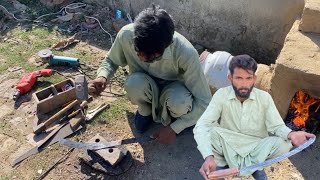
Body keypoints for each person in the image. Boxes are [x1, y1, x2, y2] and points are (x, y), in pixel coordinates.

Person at [88, 5, 211, 144]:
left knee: (180, 102)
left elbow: (204, 101)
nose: (143, 58)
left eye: (151, 56)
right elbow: (111, 60)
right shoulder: (126, 35)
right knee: (133, 84)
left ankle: (174, 118)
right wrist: (102, 76)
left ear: (168, 44)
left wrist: (175, 128)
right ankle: (145, 111)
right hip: (144, 86)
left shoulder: (186, 53)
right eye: (138, 51)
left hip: (173, 91)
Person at [193, 54, 315, 180]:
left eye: (248, 78)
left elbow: (277, 126)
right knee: (211, 132)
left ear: (254, 78)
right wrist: (208, 156)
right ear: (230, 78)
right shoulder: (221, 95)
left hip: (255, 149)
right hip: (229, 145)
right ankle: (226, 167)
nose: (244, 84)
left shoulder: (264, 98)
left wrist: (292, 134)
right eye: (239, 78)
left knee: (283, 143)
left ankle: (251, 167)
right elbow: (202, 125)